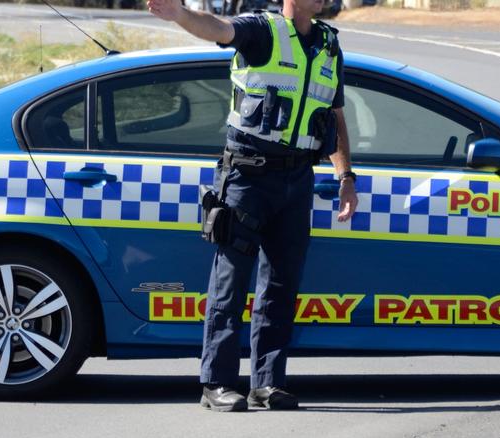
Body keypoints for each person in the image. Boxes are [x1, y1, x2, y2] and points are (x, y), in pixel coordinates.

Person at [148, 0, 358, 411]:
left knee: (281, 285)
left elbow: (333, 116)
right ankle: (217, 383)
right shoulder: (263, 31)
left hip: (298, 179)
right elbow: (219, 28)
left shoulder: (329, 46)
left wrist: (345, 177)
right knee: (231, 281)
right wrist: (181, 16)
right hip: (247, 177)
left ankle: (267, 383)